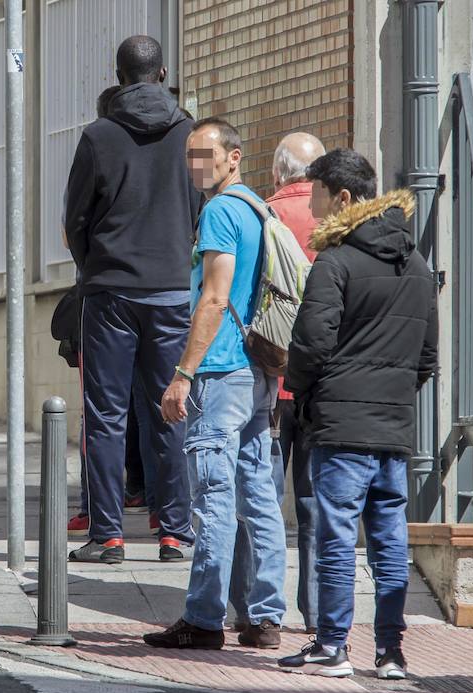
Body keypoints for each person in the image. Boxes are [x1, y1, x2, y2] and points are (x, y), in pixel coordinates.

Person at [278, 149, 437, 680]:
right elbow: (427, 358)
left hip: (340, 425)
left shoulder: (335, 260)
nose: (316, 212)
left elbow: (310, 343)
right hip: (392, 427)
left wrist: (300, 394)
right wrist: (390, 393)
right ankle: (390, 652)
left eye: (319, 198)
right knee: (390, 540)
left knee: (336, 535)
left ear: (343, 198)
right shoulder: (416, 265)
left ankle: (331, 645)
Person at [142, 118, 286, 651]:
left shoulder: (223, 211)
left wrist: (182, 373)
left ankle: (204, 618)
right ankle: (265, 617)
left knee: (214, 497)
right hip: (256, 372)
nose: (196, 166)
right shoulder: (257, 207)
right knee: (258, 494)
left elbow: (214, 297)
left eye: (206, 155)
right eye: (189, 157)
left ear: (234, 156)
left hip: (222, 370)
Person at [64, 36, 200, 563]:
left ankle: (109, 535)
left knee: (105, 415)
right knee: (170, 409)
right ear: (162, 72)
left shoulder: (98, 135)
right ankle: (174, 532)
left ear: (117, 75)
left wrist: (92, 265)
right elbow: (197, 207)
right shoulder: (191, 132)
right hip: (170, 291)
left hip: (111, 291)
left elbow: (75, 219)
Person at [229, 131, 326, 635]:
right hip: (320, 385)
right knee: (313, 502)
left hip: (267, 379)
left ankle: (252, 608)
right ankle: (315, 614)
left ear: (276, 174)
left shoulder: (262, 217)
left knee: (256, 495)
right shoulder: (336, 222)